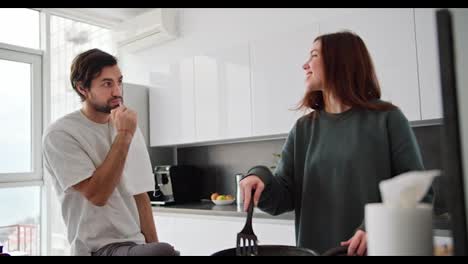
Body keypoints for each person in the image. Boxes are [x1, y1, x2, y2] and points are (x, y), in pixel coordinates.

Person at [240, 31, 424, 256]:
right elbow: (282, 200)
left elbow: (415, 189)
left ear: (340, 61)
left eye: (314, 55)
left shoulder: (387, 118)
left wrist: (374, 227)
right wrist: (259, 176)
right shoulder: (303, 129)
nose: (305, 65)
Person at [42, 49, 177, 256]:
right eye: (107, 84)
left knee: (163, 252)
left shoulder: (129, 127)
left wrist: (153, 246)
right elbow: (97, 195)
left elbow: (140, 196)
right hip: (96, 248)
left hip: (136, 244)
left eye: (119, 82)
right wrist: (123, 134)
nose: (117, 91)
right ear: (82, 89)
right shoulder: (61, 134)